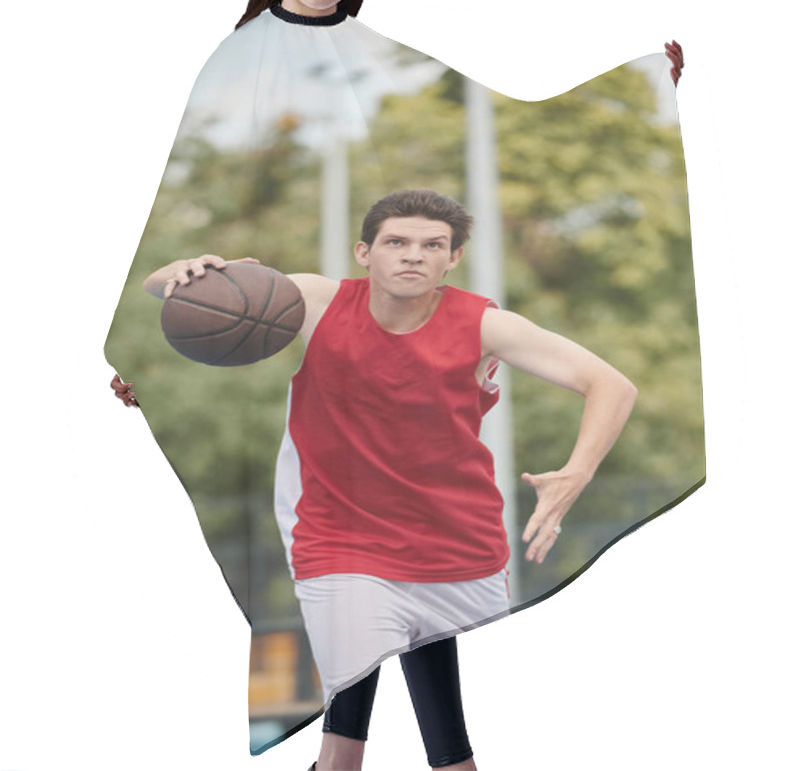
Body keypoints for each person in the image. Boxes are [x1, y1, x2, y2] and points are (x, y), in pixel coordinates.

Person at [140, 188, 638, 770]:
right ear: (364, 252)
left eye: (433, 246)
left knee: (453, 752)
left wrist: (576, 473)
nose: (413, 255)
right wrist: (178, 273)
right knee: (344, 748)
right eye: (396, 242)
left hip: (461, 548)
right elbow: (189, 292)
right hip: (340, 541)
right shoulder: (317, 301)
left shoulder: (485, 325)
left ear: (452, 259)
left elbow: (610, 384)